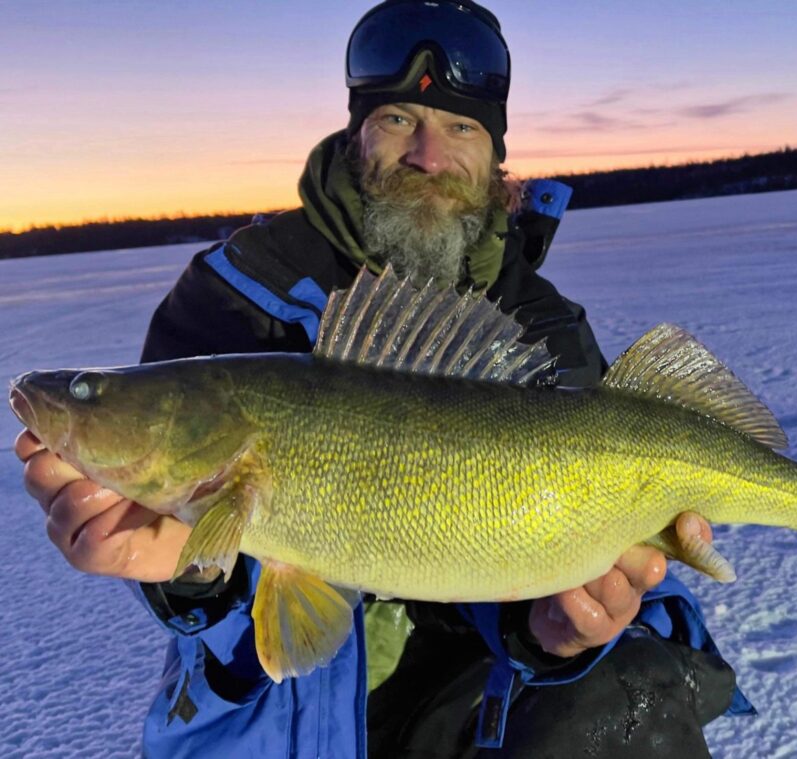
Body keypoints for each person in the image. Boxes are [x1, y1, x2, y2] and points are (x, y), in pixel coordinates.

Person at [15, 1, 751, 756]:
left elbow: (590, 534)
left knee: (626, 691)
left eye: (462, 128)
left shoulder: (543, 324)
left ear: (496, 151)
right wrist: (192, 579)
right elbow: (207, 584)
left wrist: (555, 629)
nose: (429, 155)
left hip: (475, 689)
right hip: (280, 715)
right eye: (400, 119)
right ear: (356, 129)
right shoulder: (236, 293)